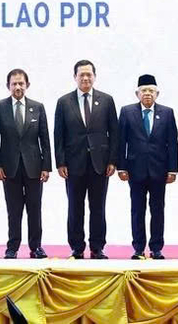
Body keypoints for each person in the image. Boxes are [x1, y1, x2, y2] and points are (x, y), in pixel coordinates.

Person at [54, 59, 118, 259]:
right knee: (75, 207)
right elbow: (59, 135)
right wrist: (61, 162)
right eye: (81, 74)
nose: (85, 78)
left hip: (100, 163)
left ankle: (97, 247)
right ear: (75, 77)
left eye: (89, 74)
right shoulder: (64, 102)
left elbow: (114, 133)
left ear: (94, 76)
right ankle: (77, 247)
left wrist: (112, 161)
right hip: (73, 164)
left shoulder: (106, 100)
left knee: (98, 207)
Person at [0, 68, 51, 259]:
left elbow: (45, 140)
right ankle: (12, 247)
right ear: (8, 86)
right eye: (14, 83)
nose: (17, 87)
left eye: (21, 83)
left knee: (35, 208)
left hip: (34, 167)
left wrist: (46, 167)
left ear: (27, 85)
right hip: (9, 168)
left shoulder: (38, 107)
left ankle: (36, 246)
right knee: (13, 210)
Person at [117, 74, 178, 260]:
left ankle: (156, 248)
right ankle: (138, 248)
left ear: (157, 93)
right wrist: (121, 167)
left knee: (158, 209)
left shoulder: (167, 113)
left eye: (151, 90)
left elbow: (172, 143)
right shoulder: (127, 112)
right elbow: (121, 142)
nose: (148, 94)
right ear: (137, 93)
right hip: (135, 170)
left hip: (159, 170)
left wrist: (173, 169)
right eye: (144, 90)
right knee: (137, 209)